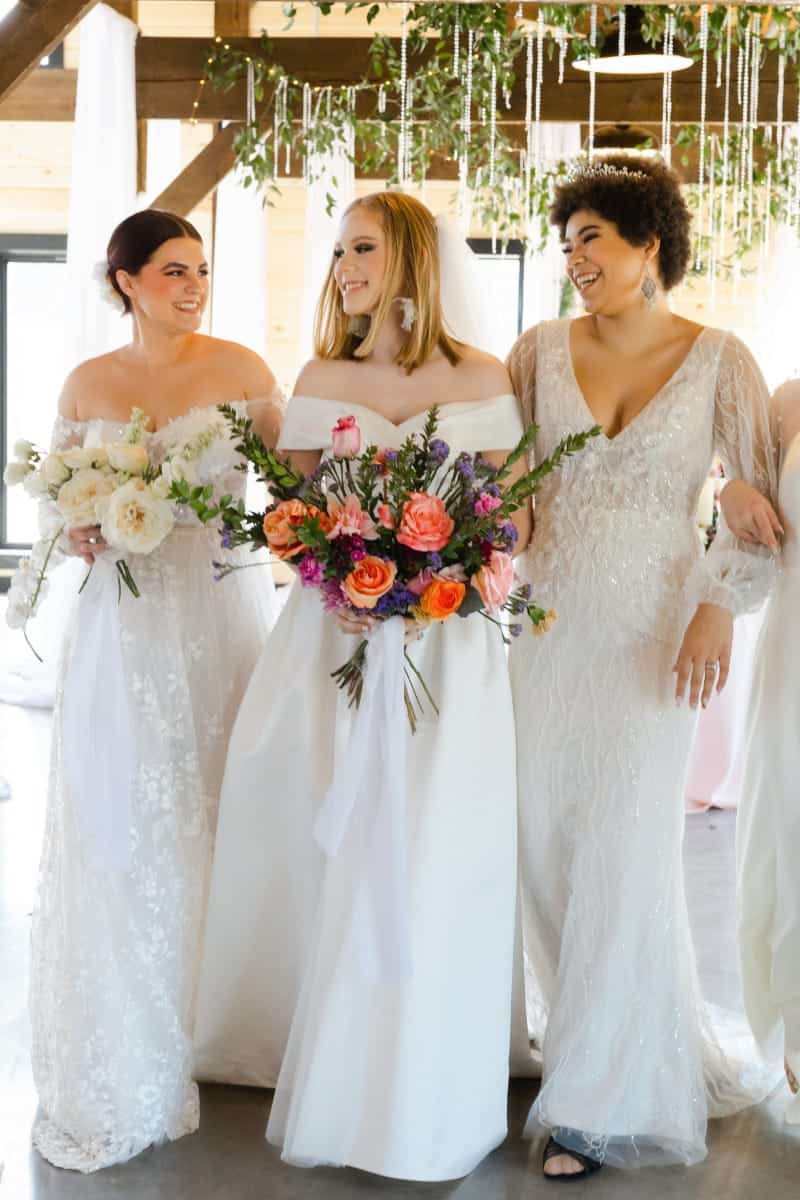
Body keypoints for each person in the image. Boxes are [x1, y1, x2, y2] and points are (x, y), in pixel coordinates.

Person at [195, 191, 530, 1180]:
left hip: (446, 644)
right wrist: (334, 580)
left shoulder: (481, 372)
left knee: (433, 839)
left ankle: (424, 1068)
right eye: (337, 250)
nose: (341, 266)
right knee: (316, 828)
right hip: (329, 639)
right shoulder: (320, 372)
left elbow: (509, 519)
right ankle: (320, 1047)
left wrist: (436, 581)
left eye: (360, 248)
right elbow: (293, 515)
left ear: (413, 260)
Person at [506, 155, 779, 1179]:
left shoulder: (720, 359)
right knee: (541, 842)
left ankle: (597, 1100)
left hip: (657, 633)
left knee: (623, 848)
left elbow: (756, 510)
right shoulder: (534, 350)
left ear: (647, 246)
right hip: (542, 625)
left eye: (592, 239)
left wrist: (714, 609)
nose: (573, 258)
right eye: (565, 239)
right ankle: (579, 1035)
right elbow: (512, 476)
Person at [29, 209, 283, 1172]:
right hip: (120, 624)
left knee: (221, 803)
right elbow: (57, 492)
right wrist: (79, 525)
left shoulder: (247, 372)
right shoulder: (86, 382)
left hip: (220, 610)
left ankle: (223, 1018)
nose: (193, 285)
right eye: (174, 270)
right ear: (126, 279)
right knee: (122, 811)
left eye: (202, 269)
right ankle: (135, 1018)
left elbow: (294, 488)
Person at [721, 381, 800, 1124]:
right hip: (797, 654)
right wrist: (735, 489)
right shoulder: (788, 402)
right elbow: (746, 492)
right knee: (792, 828)